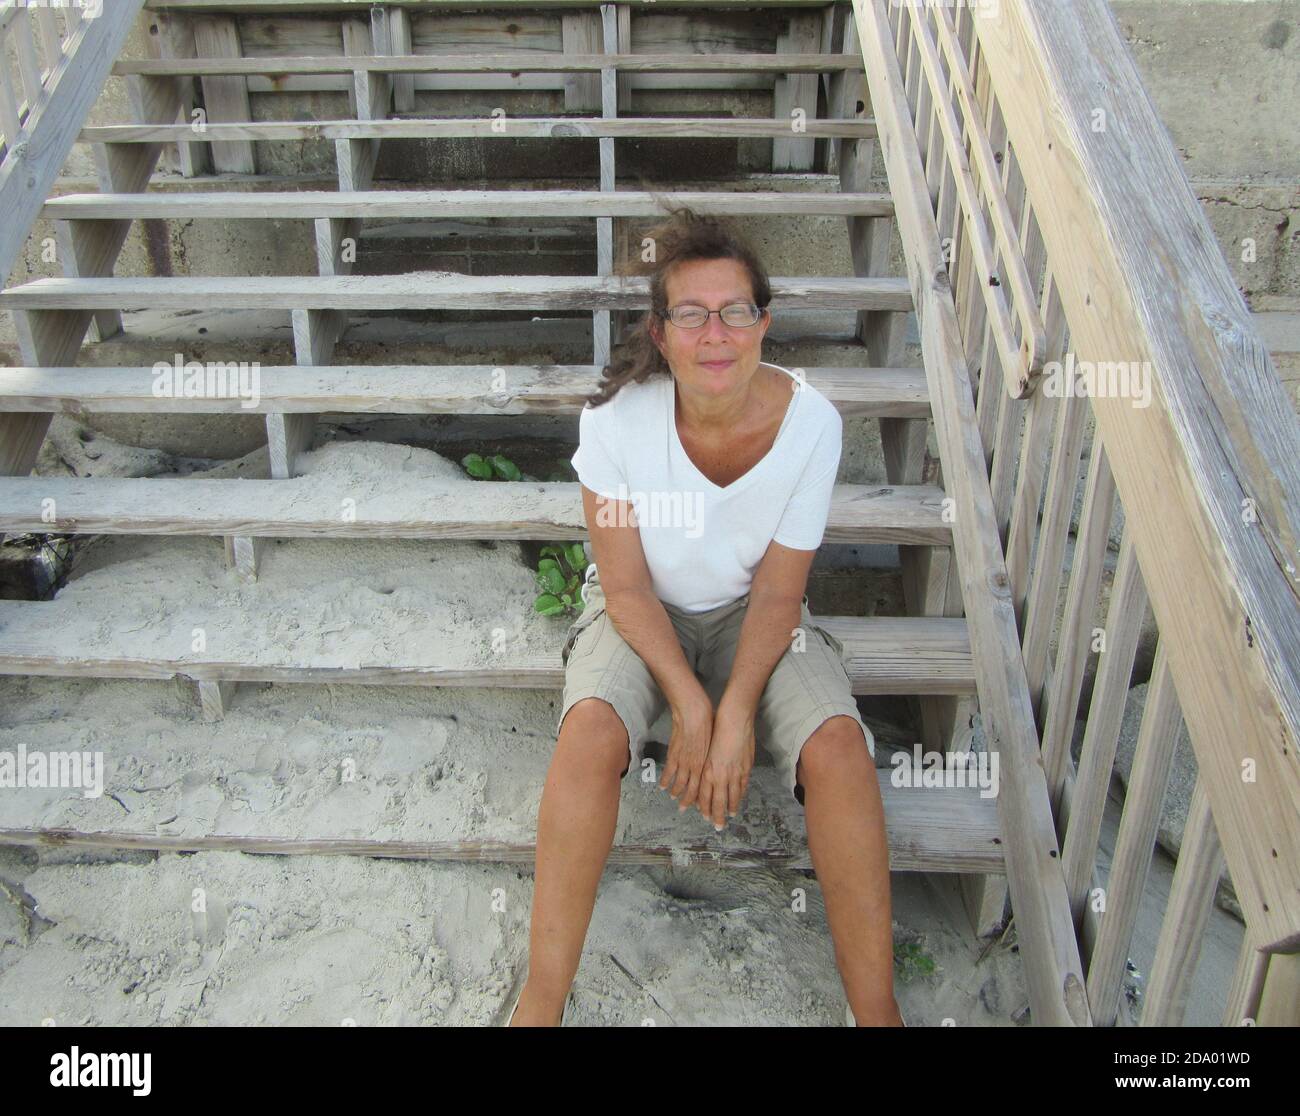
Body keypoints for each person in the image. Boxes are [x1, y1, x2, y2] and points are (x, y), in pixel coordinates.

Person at [510, 206, 901, 1027]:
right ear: (661, 333)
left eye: (734, 311)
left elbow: (779, 594)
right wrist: (690, 702)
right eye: (691, 313)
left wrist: (736, 715)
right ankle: (539, 1007)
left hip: (753, 613)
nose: (714, 332)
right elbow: (622, 590)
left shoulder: (812, 425)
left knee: (837, 747)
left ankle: (879, 1014)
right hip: (640, 611)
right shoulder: (615, 422)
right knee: (588, 732)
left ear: (766, 322)